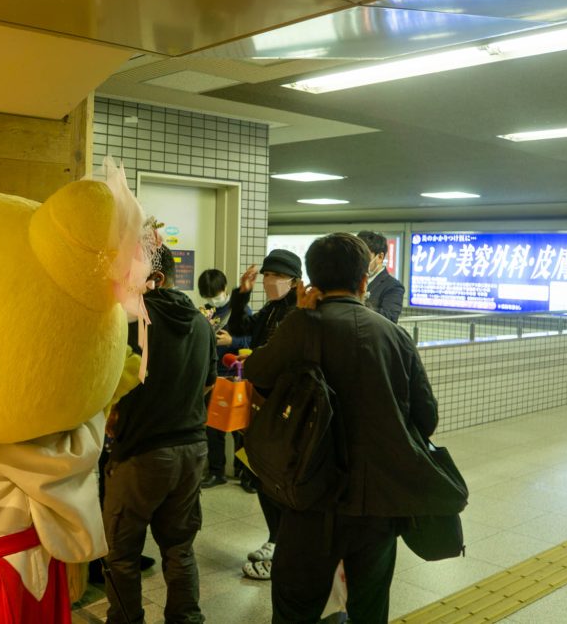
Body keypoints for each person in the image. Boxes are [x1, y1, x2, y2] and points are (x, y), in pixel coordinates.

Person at [243, 233, 466, 623]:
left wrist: (299, 317)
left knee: (295, 607)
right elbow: (426, 418)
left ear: (311, 281)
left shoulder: (301, 326)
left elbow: (257, 373)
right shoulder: (395, 336)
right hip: (377, 503)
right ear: (364, 281)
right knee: (370, 608)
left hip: (309, 495)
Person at [103, 245, 217, 624]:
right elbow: (208, 383)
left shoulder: (131, 323)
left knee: (122, 552)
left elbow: (110, 386)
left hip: (141, 453)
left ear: (156, 277)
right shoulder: (201, 323)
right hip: (192, 449)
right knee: (180, 547)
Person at [223, 248, 301, 579]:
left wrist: (254, 358)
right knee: (262, 477)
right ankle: (275, 538)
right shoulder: (272, 309)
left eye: (277, 276)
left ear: (295, 281)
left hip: (282, 411)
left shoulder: (298, 315)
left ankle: (285, 549)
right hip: (260, 405)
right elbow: (242, 326)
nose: (270, 281)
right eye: (267, 275)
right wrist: (242, 294)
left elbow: (283, 359)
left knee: (277, 481)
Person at [197, 268, 251, 489]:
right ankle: (216, 471)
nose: (212, 300)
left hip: (236, 376)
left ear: (225, 289)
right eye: (208, 296)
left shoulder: (241, 310)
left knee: (240, 429)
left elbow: (251, 340)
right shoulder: (206, 311)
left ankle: (245, 472)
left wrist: (232, 342)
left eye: (215, 294)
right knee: (214, 427)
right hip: (213, 376)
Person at [356, 230, 405, 323]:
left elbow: (390, 318)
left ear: (380, 257)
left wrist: (358, 306)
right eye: (357, 256)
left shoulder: (393, 286)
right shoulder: (351, 279)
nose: (359, 261)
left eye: (364, 256)